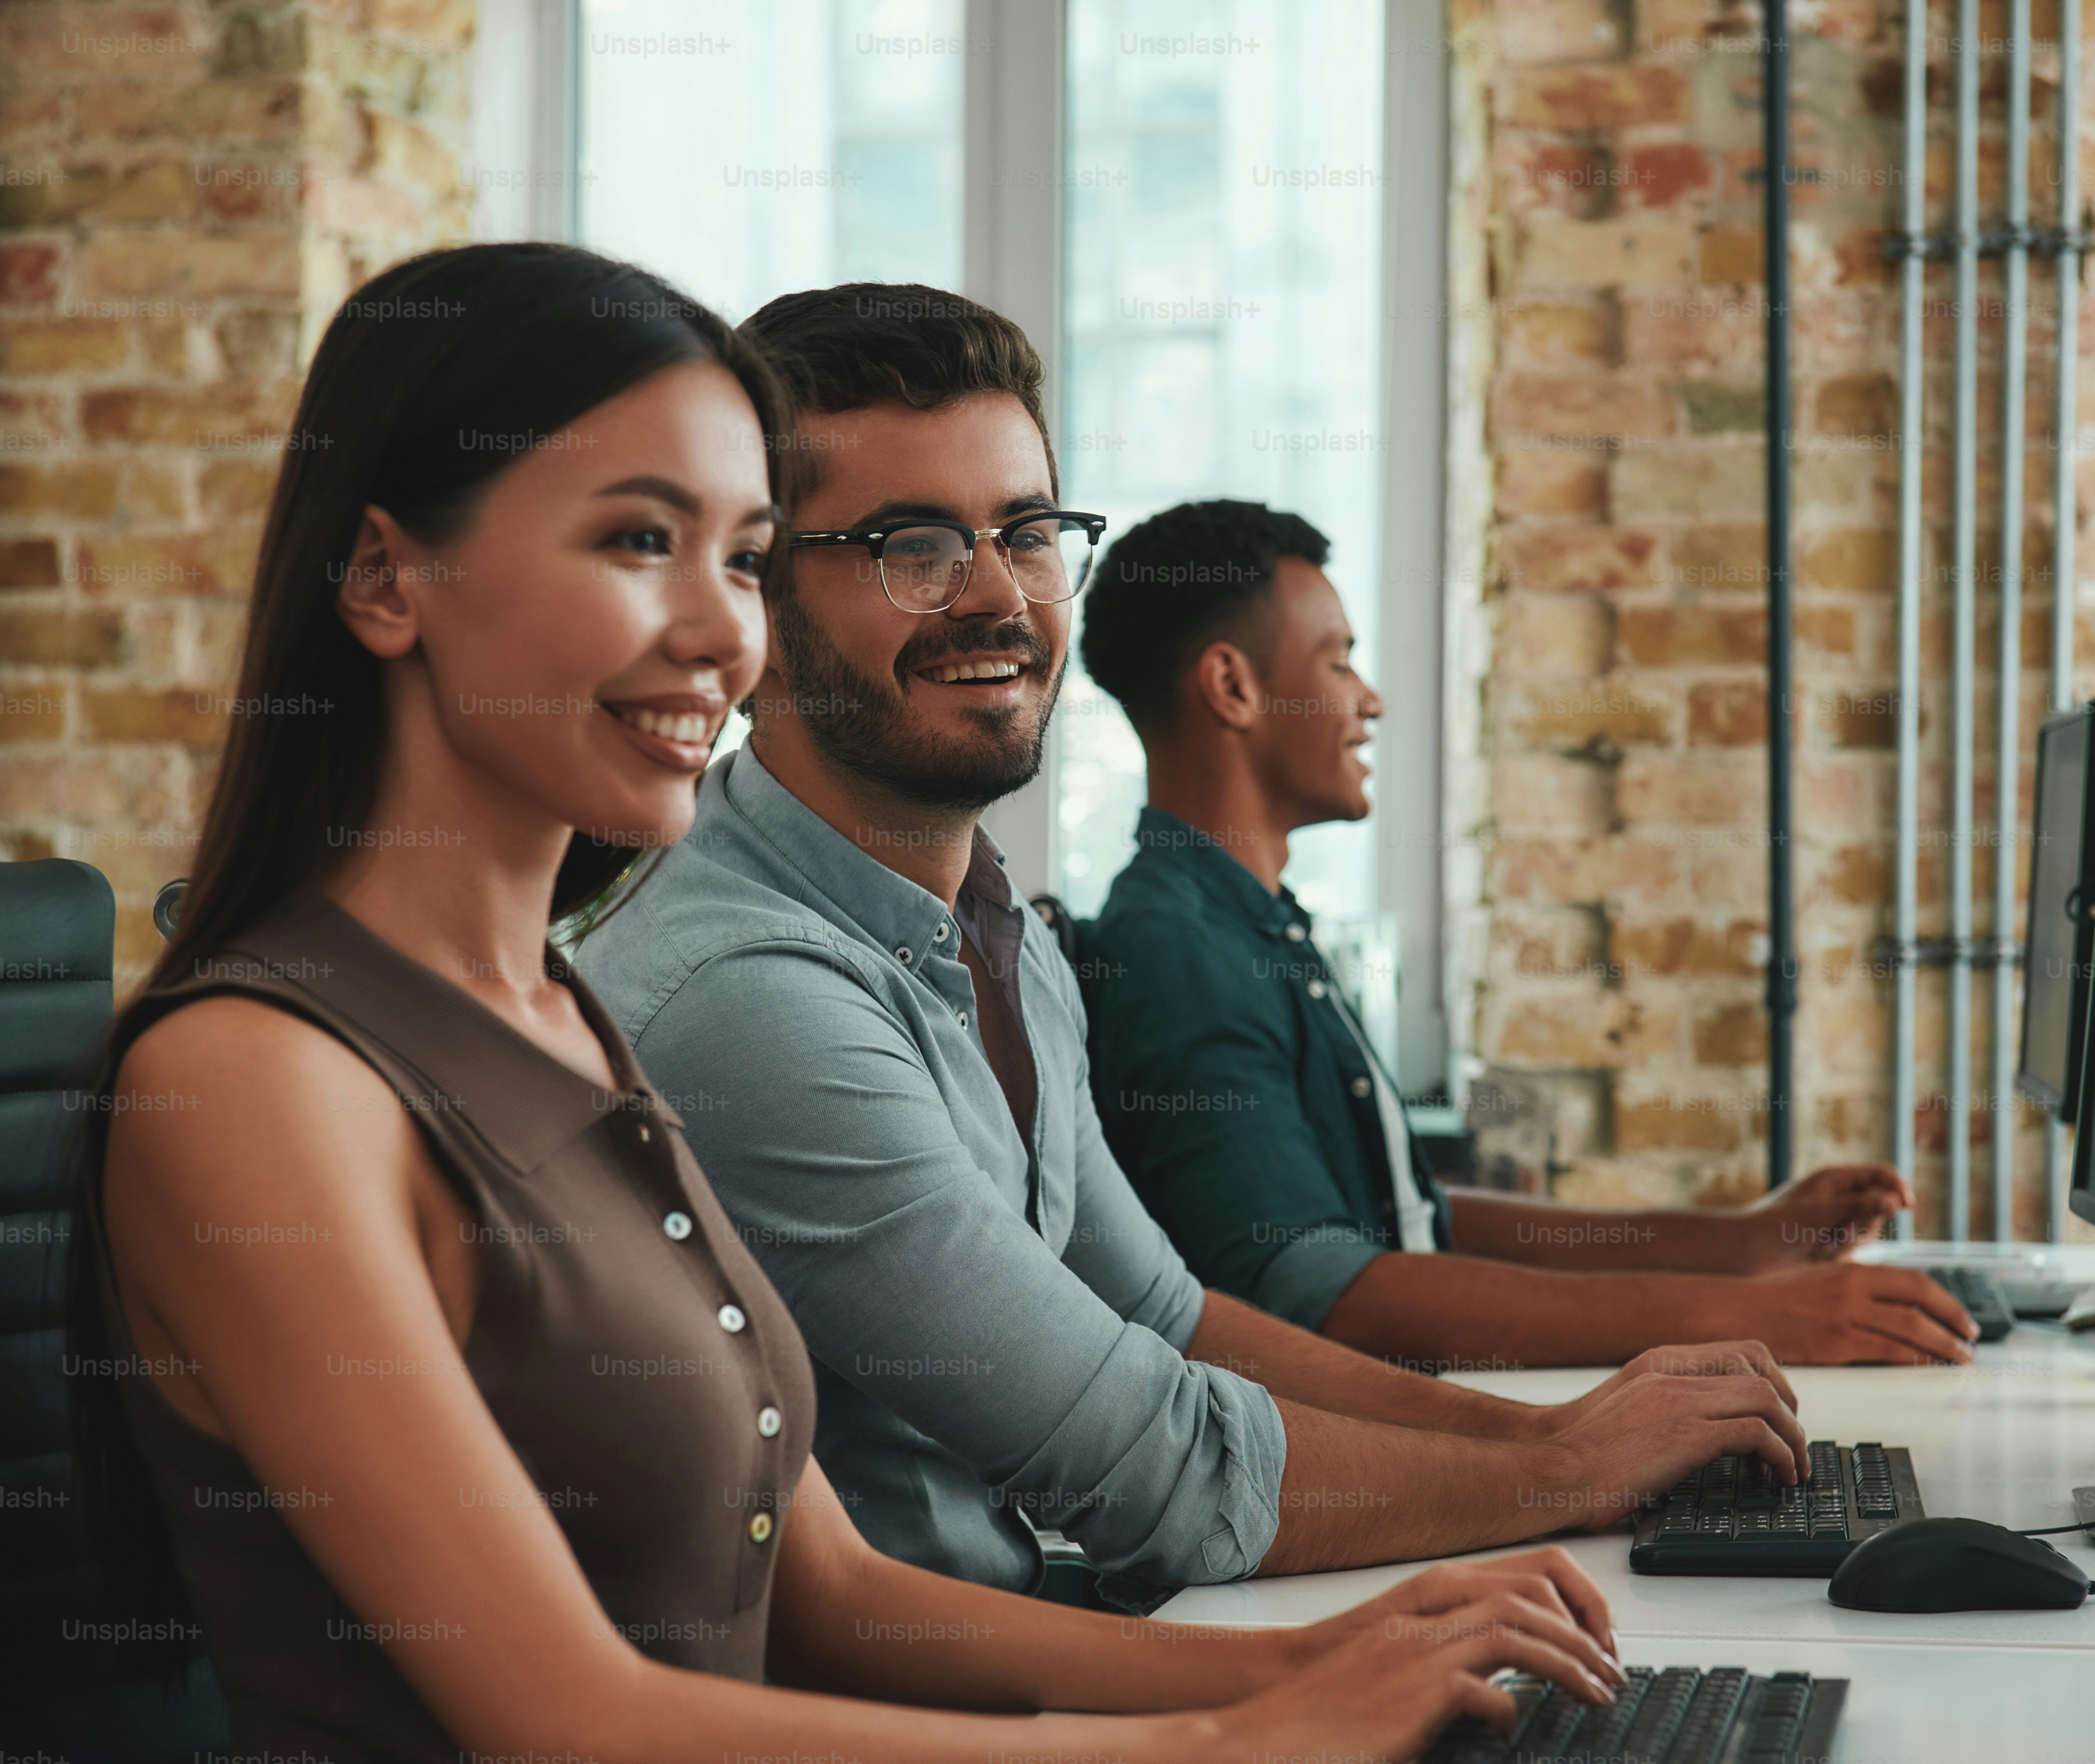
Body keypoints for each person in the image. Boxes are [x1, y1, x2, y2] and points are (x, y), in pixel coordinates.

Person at [66, 243, 1628, 1764]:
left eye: (742, 557)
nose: (718, 632)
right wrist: (1239, 1734)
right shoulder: (264, 1082)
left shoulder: (560, 1018)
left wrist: (1315, 1663)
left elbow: (835, 1595)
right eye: (635, 542)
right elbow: (574, 1721)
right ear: (385, 576)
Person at [576, 282, 1814, 1604]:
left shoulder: (998, 931)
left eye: (1028, 532)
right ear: (756, 605)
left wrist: (1559, 1439)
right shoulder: (749, 999)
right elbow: (1158, 1469)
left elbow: (1171, 1322)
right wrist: (1566, 1475)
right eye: (911, 545)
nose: (996, 597)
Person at [1074, 500, 1980, 1369]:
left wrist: (1739, 1247)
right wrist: (1750, 1318)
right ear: (1232, 687)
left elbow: (1406, 1221)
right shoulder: (1177, 947)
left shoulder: (1248, 919)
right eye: (1339, 662)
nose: (1372, 699)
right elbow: (1327, 1293)